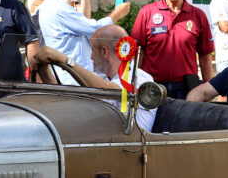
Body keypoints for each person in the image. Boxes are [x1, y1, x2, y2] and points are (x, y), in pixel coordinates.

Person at [29, 25, 157, 132]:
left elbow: (109, 92)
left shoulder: (139, 77)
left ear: (105, 52)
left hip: (130, 148)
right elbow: (67, 95)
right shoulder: (102, 78)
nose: (91, 57)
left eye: (93, 51)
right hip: (104, 140)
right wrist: (43, 69)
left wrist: (66, 60)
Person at [130, 0, 214, 99]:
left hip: (187, 90)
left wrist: (209, 91)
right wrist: (134, 84)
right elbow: (139, 53)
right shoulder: (147, 12)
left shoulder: (198, 16)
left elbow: (205, 57)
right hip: (152, 88)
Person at [37, 0, 129, 82]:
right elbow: (94, 29)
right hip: (72, 78)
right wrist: (117, 13)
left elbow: (83, 21)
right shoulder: (58, 8)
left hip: (69, 74)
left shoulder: (49, 5)